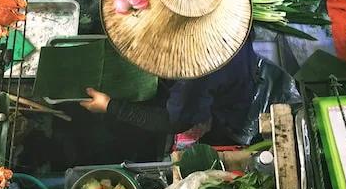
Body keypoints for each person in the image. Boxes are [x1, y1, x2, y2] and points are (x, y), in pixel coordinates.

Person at [80, 38, 260, 148]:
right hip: (238, 66)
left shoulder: (193, 74)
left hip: (233, 103)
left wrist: (110, 106)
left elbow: (173, 122)